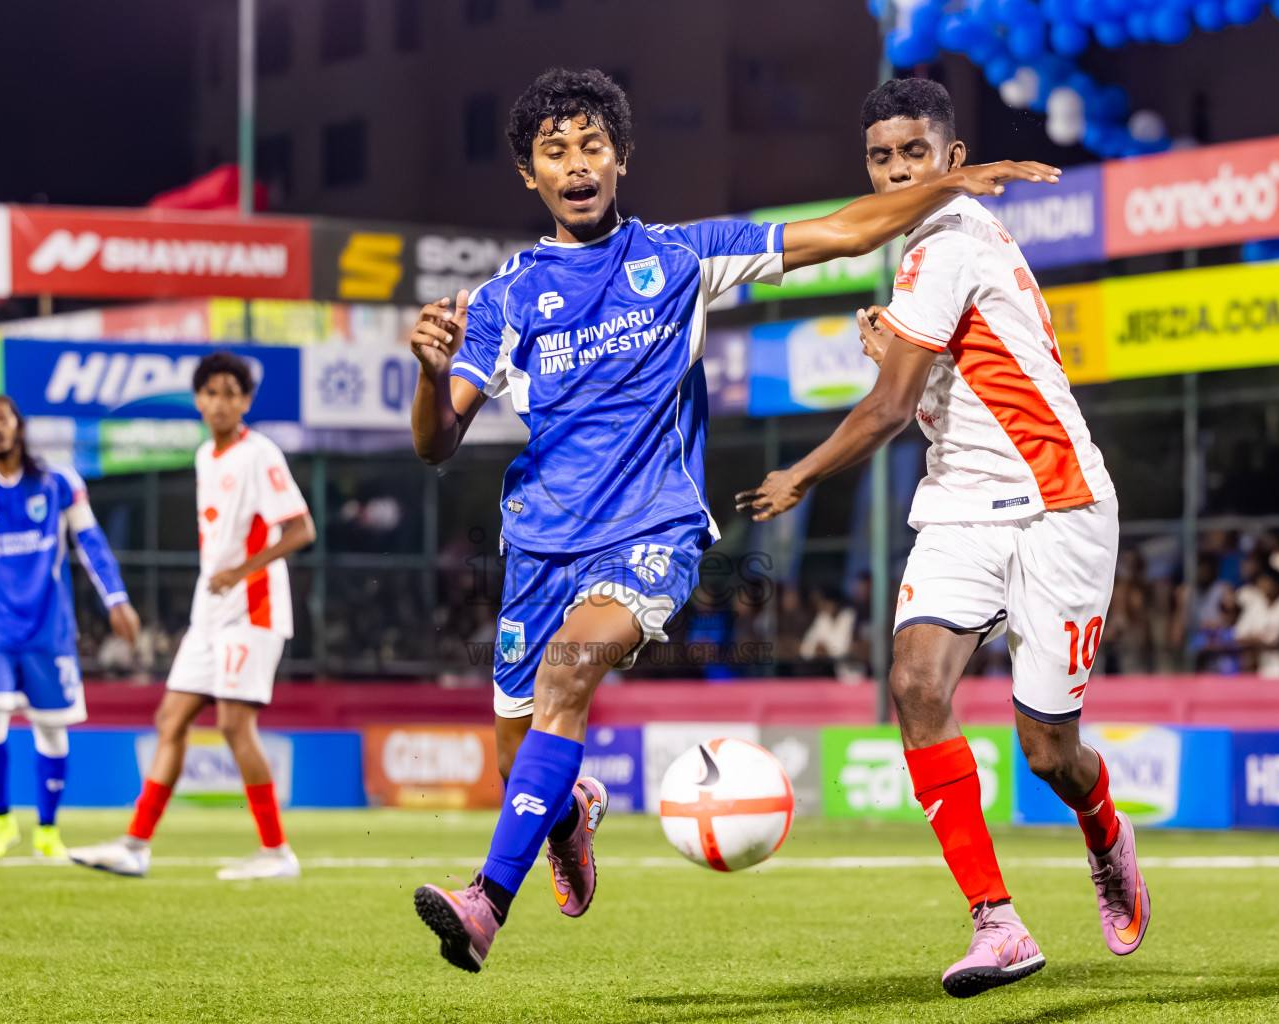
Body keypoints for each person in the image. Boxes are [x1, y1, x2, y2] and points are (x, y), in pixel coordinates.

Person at [406, 66, 1058, 974]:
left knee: (568, 671)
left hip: (652, 533)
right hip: (537, 549)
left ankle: (485, 902)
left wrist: (950, 183)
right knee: (524, 751)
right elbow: (436, 443)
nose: (577, 164)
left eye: (593, 145)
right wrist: (431, 374)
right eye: (555, 152)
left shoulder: (681, 258)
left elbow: (841, 230)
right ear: (530, 174)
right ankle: (569, 814)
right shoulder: (504, 299)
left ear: (622, 157)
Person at [737, 78, 1144, 998]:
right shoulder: (924, 247)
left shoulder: (947, 243)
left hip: (1056, 505)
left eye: (913, 154)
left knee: (1048, 752)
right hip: (961, 504)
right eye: (880, 158)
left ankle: (1105, 833)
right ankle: (997, 923)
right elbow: (943, 388)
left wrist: (801, 474)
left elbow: (888, 411)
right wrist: (900, 359)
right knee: (915, 686)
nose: (895, 172)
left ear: (952, 160)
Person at [69, 353, 316, 881]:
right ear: (198, 401)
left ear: (246, 401)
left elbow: (301, 529)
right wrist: (218, 583)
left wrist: (240, 572)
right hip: (210, 612)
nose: (219, 402)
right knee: (170, 719)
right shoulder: (206, 455)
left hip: (254, 608)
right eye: (210, 392)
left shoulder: (260, 453)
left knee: (233, 723)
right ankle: (135, 845)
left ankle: (277, 853)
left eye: (231, 392)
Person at [0, 395, 139, 859]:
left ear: (18, 427)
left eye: (2, 419)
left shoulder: (60, 483)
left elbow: (91, 541)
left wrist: (116, 599)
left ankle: (47, 828)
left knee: (51, 728)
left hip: (48, 630)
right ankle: (1, 820)